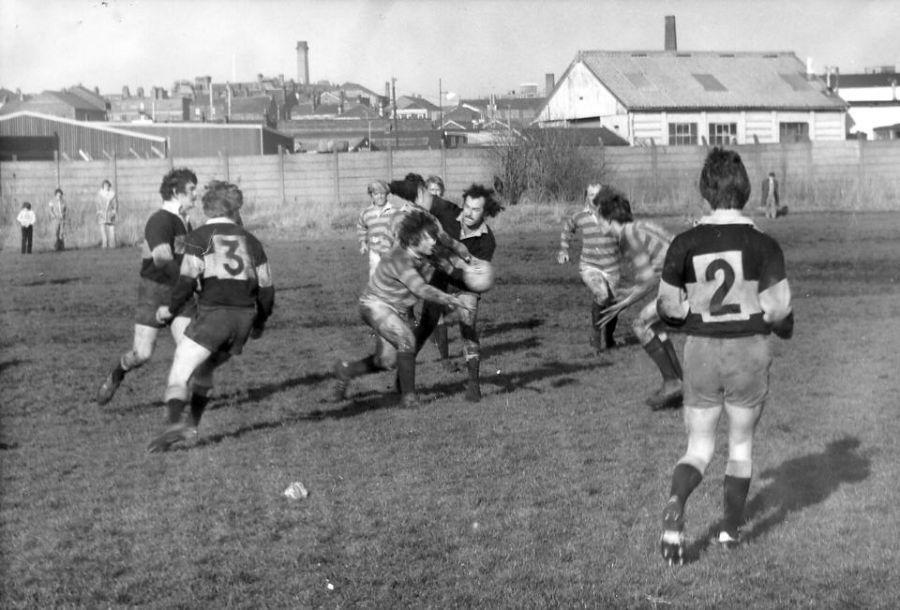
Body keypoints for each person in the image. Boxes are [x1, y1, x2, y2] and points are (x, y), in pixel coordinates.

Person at [656, 147, 794, 564]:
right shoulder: (764, 244)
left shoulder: (684, 243)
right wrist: (780, 325)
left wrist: (691, 318)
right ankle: (730, 532)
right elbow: (779, 309)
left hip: (701, 352)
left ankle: (677, 504)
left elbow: (669, 306)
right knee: (740, 447)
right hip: (747, 351)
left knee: (697, 447)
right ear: (747, 191)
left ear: (705, 193)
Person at [147, 180, 275, 452]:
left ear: (207, 208)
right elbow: (266, 290)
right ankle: (192, 426)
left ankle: (172, 427)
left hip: (214, 315)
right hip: (243, 320)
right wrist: (260, 322)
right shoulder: (252, 242)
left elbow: (186, 281)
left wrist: (169, 309)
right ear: (234, 209)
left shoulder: (200, 237)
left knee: (180, 371)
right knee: (204, 370)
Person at [332, 210, 472, 409]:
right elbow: (420, 289)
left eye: (434, 237)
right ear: (414, 239)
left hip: (394, 309)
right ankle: (409, 399)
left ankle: (346, 370)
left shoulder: (429, 254)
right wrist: (450, 299)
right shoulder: (400, 258)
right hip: (374, 305)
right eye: (428, 238)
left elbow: (452, 271)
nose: (434, 241)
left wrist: (475, 277)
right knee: (406, 339)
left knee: (386, 360)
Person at [95, 168, 199, 406]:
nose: (196, 194)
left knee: (190, 348)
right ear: (176, 192)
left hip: (180, 294)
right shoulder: (160, 220)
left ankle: (179, 403)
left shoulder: (186, 221)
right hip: (154, 292)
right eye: (192, 189)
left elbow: (187, 258)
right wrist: (186, 279)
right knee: (142, 354)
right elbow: (162, 257)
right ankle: (117, 373)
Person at [594, 188, 683, 410]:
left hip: (685, 283)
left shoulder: (627, 236)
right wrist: (632, 292)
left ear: (608, 219)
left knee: (641, 324)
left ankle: (673, 382)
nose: (596, 222)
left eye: (598, 217)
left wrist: (624, 304)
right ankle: (679, 383)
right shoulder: (638, 227)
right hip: (688, 278)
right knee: (655, 326)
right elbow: (656, 268)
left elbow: (648, 280)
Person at [414, 183, 504, 402]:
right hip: (440, 280)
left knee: (467, 326)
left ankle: (474, 385)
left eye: (476, 209)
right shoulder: (448, 212)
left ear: (485, 213)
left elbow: (474, 277)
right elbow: (425, 198)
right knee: (425, 326)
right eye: (467, 207)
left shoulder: (487, 241)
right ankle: (404, 381)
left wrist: (447, 264)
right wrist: (397, 188)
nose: (469, 213)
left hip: (466, 286)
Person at [558, 183, 622, 354]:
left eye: (597, 193)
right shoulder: (581, 216)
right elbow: (567, 228)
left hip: (612, 266)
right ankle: (595, 338)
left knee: (614, 304)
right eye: (591, 193)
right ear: (587, 196)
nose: (594, 197)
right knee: (602, 295)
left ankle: (609, 339)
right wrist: (564, 249)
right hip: (589, 266)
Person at [356, 180, 395, 277]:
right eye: (376, 194)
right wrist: (363, 243)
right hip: (375, 250)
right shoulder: (366, 213)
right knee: (375, 273)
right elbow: (361, 228)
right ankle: (375, 290)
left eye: (382, 194)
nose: (380, 197)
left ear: (387, 194)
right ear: (371, 195)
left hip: (391, 250)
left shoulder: (394, 211)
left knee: (390, 274)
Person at [96, 179, 118, 248]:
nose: (106, 187)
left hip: (110, 214)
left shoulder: (112, 195)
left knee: (112, 230)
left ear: (109, 186)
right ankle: (104, 245)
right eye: (105, 185)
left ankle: (112, 245)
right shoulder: (99, 195)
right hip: (102, 214)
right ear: (103, 186)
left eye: (108, 185)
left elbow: (115, 204)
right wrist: (99, 211)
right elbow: (97, 203)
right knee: (103, 230)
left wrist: (114, 211)